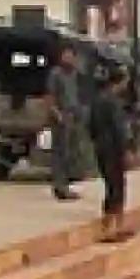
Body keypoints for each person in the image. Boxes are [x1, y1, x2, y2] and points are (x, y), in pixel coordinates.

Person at [89, 67, 133, 244]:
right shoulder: (113, 102)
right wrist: (127, 149)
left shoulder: (97, 100)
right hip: (113, 148)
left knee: (110, 185)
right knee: (117, 186)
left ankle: (111, 226)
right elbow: (119, 129)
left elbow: (90, 125)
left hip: (101, 146)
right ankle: (113, 227)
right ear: (120, 81)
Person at [47, 44, 86, 201]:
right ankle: (59, 186)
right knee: (60, 153)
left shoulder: (75, 74)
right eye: (65, 55)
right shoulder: (56, 74)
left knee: (71, 153)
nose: (68, 58)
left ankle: (66, 184)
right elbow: (50, 97)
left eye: (71, 55)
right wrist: (57, 114)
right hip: (61, 117)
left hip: (74, 116)